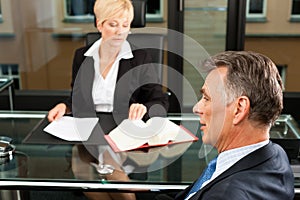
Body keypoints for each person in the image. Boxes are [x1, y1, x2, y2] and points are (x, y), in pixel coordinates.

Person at [173, 51, 294, 199]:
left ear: (239, 109)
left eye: (206, 98)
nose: (197, 108)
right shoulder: (274, 154)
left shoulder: (226, 194)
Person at [47, 0, 168, 131]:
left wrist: (144, 108)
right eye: (113, 25)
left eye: (125, 25)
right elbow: (78, 99)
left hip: (124, 131)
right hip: (88, 131)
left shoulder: (140, 58)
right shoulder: (82, 57)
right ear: (99, 24)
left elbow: (160, 102)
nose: (120, 32)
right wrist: (65, 107)